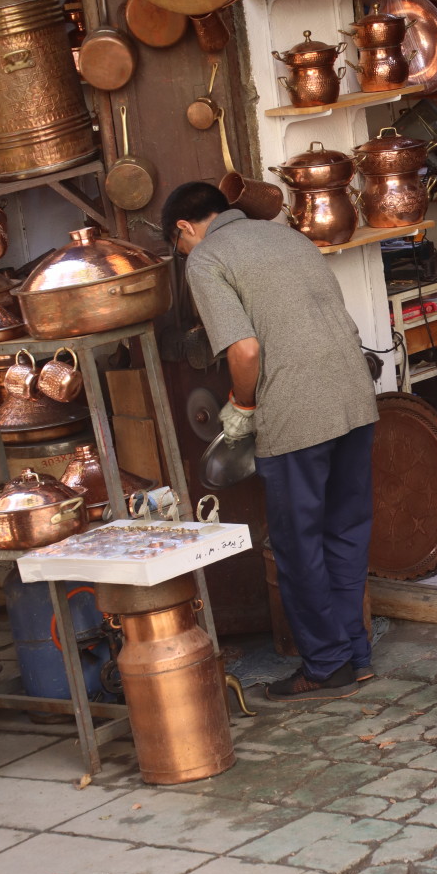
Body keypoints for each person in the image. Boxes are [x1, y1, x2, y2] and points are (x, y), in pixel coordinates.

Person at [162, 181, 378, 702]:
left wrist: (242, 406)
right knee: (344, 532)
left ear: (184, 228)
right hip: (354, 397)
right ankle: (356, 656)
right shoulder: (288, 236)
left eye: (179, 244)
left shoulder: (206, 258)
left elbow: (246, 349)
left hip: (296, 413)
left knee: (298, 546)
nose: (185, 251)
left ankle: (326, 665)